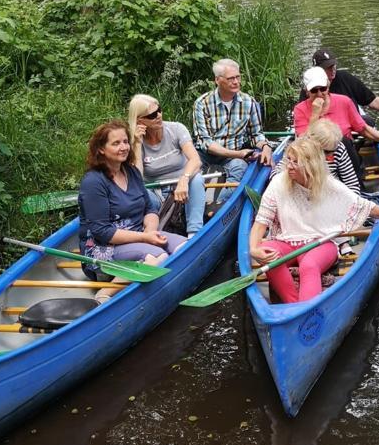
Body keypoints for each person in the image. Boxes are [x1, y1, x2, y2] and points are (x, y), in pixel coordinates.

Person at [249, 137, 379, 303]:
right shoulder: (279, 182)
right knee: (268, 253)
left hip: (320, 243)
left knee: (309, 266)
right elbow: (261, 221)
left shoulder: (328, 184)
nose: (290, 166)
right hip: (286, 241)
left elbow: (365, 206)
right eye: (288, 160)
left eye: (296, 162)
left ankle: (305, 307)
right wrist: (254, 249)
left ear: (311, 165)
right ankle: (296, 306)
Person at [78, 120, 186, 281]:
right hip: (104, 248)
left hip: (139, 235)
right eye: (116, 143)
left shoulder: (132, 171)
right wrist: (145, 239)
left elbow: (149, 209)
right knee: (159, 256)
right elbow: (102, 232)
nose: (123, 147)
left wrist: (150, 232)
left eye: (125, 142)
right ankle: (106, 294)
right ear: (101, 149)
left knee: (185, 246)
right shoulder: (93, 182)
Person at [293, 66, 379, 177]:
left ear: (328, 86)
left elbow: (363, 128)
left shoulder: (344, 102)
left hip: (345, 157)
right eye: (314, 90)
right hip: (316, 159)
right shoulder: (300, 109)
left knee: (343, 141)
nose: (319, 93)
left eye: (323, 88)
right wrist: (315, 114)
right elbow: (303, 143)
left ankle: (356, 182)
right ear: (307, 91)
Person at [128, 94, 206, 237]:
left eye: (159, 110)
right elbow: (137, 177)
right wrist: (137, 144)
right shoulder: (134, 141)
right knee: (138, 191)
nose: (158, 116)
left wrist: (184, 179)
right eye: (152, 115)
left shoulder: (176, 129)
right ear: (140, 121)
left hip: (183, 184)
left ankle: (194, 232)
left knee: (197, 179)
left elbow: (195, 160)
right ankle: (150, 233)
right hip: (155, 192)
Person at [193, 58, 272, 199]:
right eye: (230, 79)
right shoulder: (202, 104)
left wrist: (266, 146)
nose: (236, 82)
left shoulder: (249, 102)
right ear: (217, 80)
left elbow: (256, 135)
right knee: (190, 170)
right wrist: (238, 154)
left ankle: (217, 204)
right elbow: (205, 142)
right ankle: (193, 202)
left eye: (238, 77)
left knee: (240, 167)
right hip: (206, 155)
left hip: (233, 157)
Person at [299, 47, 379, 120]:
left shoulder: (345, 78)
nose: (332, 69)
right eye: (328, 67)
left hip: (352, 128)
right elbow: (303, 117)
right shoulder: (309, 89)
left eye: (333, 65)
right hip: (324, 132)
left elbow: (372, 100)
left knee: (368, 121)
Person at [303, 119, 361, 193]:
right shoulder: (297, 150)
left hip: (330, 193)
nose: (329, 156)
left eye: (332, 151)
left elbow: (352, 184)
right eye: (325, 152)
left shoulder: (339, 148)